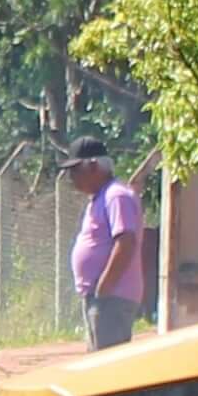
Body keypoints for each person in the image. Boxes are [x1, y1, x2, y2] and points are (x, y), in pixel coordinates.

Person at [69, 148, 153, 351]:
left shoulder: (116, 196)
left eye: (76, 170)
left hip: (112, 298)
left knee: (106, 365)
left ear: (94, 166)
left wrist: (104, 287)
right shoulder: (102, 197)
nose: (72, 177)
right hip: (103, 297)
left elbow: (126, 242)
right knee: (97, 364)